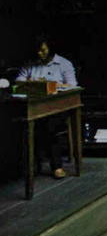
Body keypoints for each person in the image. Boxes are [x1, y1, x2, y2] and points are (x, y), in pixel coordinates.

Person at [16, 35, 78, 178]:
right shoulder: (30, 64)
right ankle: (23, 167)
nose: (39, 53)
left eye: (43, 50)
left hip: (57, 107)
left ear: (51, 49)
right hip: (33, 106)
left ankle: (57, 166)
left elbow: (72, 86)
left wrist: (50, 86)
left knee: (50, 124)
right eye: (38, 50)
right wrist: (31, 84)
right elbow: (19, 82)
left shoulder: (63, 64)